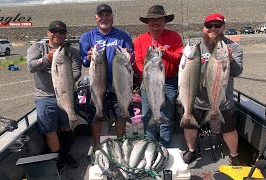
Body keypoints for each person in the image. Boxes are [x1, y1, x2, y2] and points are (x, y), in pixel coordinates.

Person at [182, 13, 243, 165]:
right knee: (190, 124)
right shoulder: (197, 47)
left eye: (217, 25)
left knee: (228, 128)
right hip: (197, 97)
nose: (213, 28)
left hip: (222, 99)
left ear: (223, 27)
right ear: (204, 28)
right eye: (209, 26)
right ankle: (191, 150)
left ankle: (234, 156)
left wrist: (230, 60)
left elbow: (237, 72)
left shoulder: (234, 47)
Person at [27, 20, 82, 170]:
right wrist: (46, 59)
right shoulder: (37, 47)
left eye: (62, 32)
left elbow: (77, 72)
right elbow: (31, 66)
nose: (58, 34)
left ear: (65, 34)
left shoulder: (73, 51)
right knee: (49, 130)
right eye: (54, 31)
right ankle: (57, 157)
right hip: (44, 96)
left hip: (67, 93)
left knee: (67, 127)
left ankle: (66, 154)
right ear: (48, 32)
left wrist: (64, 81)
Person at [79, 4, 134, 149]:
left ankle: (120, 143)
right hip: (98, 83)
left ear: (112, 17)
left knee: (121, 114)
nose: (105, 18)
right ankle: (97, 145)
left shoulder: (123, 36)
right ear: (96, 18)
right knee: (96, 116)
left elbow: (132, 57)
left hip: (119, 83)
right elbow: (84, 61)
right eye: (101, 15)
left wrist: (129, 55)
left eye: (108, 15)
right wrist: (88, 57)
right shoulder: (87, 37)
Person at [133, 5, 183, 147]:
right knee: (148, 114)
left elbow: (180, 58)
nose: (155, 22)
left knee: (166, 116)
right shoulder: (139, 40)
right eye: (152, 20)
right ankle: (150, 146)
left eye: (159, 19)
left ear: (165, 21)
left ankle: (164, 147)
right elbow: (138, 62)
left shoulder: (174, 36)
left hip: (169, 82)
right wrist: (149, 72)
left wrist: (166, 54)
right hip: (148, 83)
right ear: (147, 22)